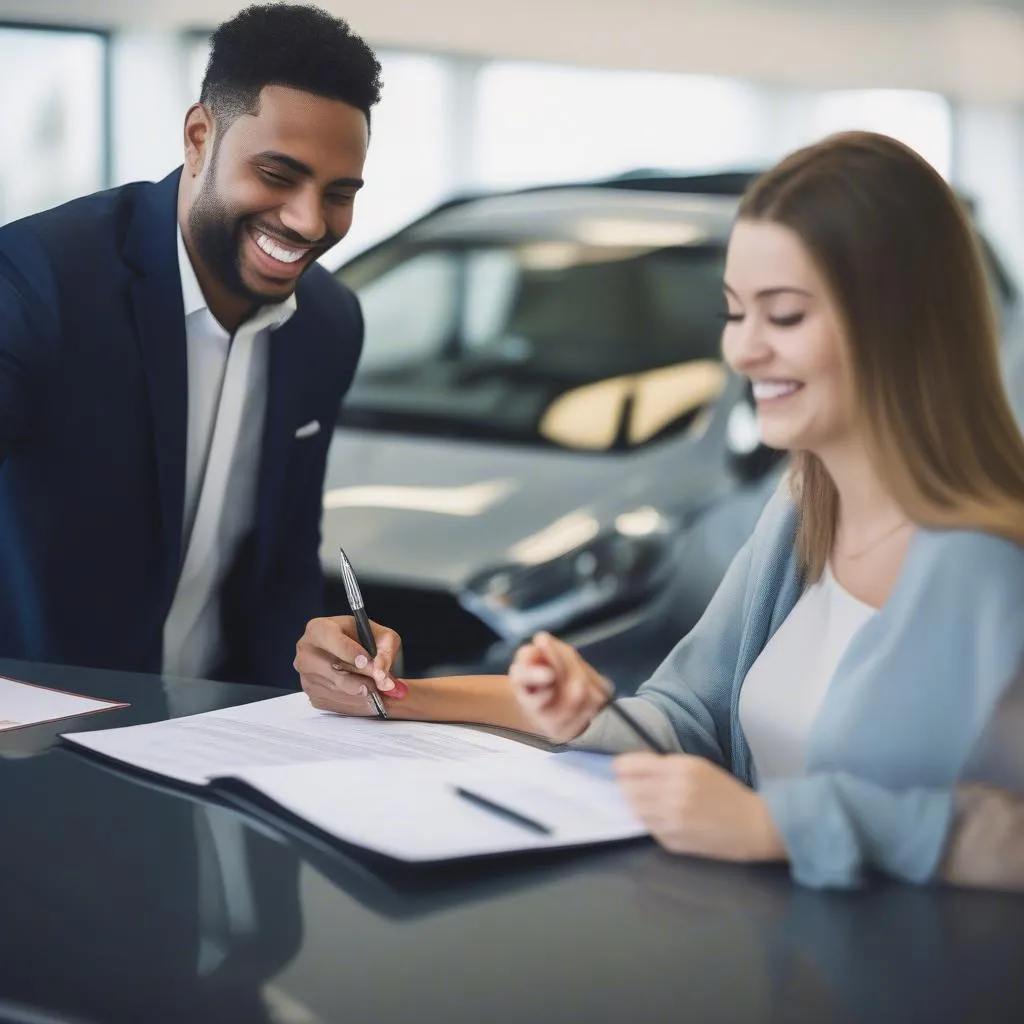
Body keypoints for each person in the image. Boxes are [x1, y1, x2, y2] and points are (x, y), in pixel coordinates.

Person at [295, 132, 1024, 890]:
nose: (741, 352)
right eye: (735, 314)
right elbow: (688, 724)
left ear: (897, 325)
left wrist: (777, 827)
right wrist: (397, 696)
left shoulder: (992, 562)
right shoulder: (803, 513)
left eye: (783, 316)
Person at [0, 4, 382, 686]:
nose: (308, 220)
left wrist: (321, 666)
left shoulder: (330, 323)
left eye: (339, 193)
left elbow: (285, 560)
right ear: (200, 137)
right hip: (36, 748)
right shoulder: (41, 282)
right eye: (277, 175)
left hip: (219, 746)